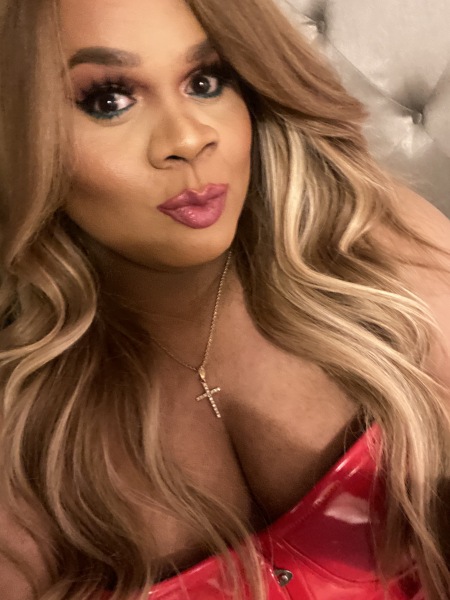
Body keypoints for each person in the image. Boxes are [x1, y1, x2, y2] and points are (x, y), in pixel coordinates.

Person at [0, 0, 449, 598]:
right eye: (108, 100)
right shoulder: (25, 431)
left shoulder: (372, 249)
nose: (189, 139)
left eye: (205, 82)